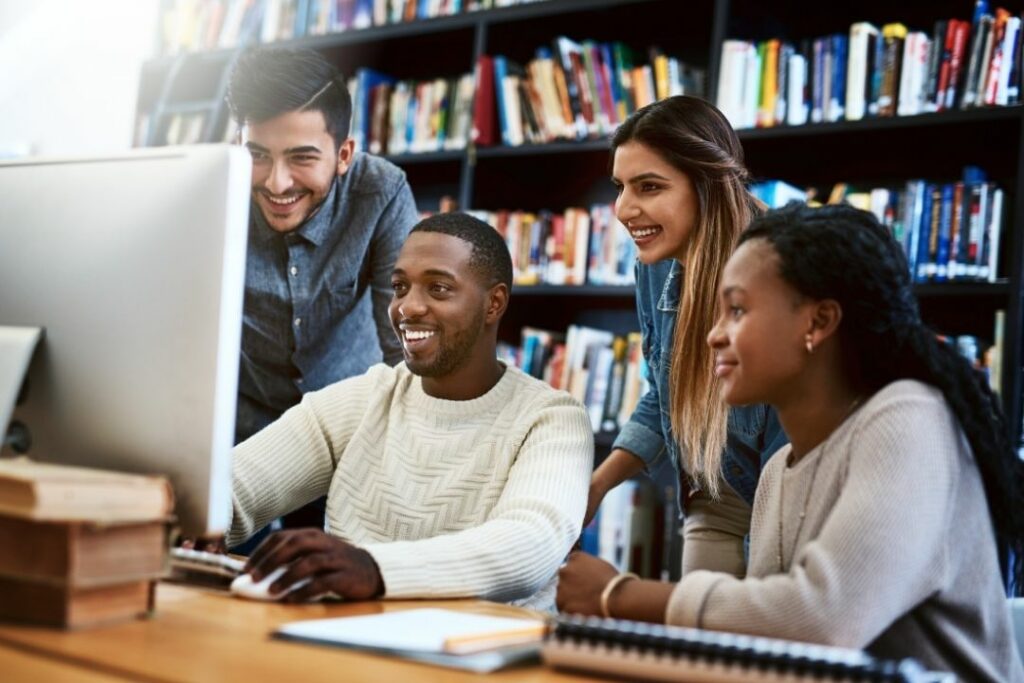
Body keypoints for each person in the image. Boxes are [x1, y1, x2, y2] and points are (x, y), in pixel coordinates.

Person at [557, 203, 1024, 682]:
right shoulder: (779, 468)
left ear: (817, 323)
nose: (713, 336)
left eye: (736, 310)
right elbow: (771, 652)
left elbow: (822, 619)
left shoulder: (909, 419)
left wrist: (619, 596)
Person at [228, 212, 593, 609]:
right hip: (350, 648)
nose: (407, 307)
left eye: (438, 288)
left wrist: (373, 569)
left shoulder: (553, 419)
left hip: (482, 660)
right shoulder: (363, 399)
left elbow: (530, 545)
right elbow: (233, 486)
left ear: (494, 304)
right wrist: (185, 515)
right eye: (400, 287)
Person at [588, 95, 786, 577]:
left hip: (784, 505)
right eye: (621, 187)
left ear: (706, 185)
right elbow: (666, 396)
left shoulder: (784, 266)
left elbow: (794, 449)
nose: (623, 209)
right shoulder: (654, 265)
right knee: (702, 644)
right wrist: (594, 488)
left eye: (649, 187)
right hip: (712, 498)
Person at [226, 47, 419, 445]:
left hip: (350, 421)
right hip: (246, 424)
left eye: (301, 158)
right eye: (258, 155)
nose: (277, 183)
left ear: (343, 154)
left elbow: (404, 343)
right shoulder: (214, 191)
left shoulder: (382, 192)